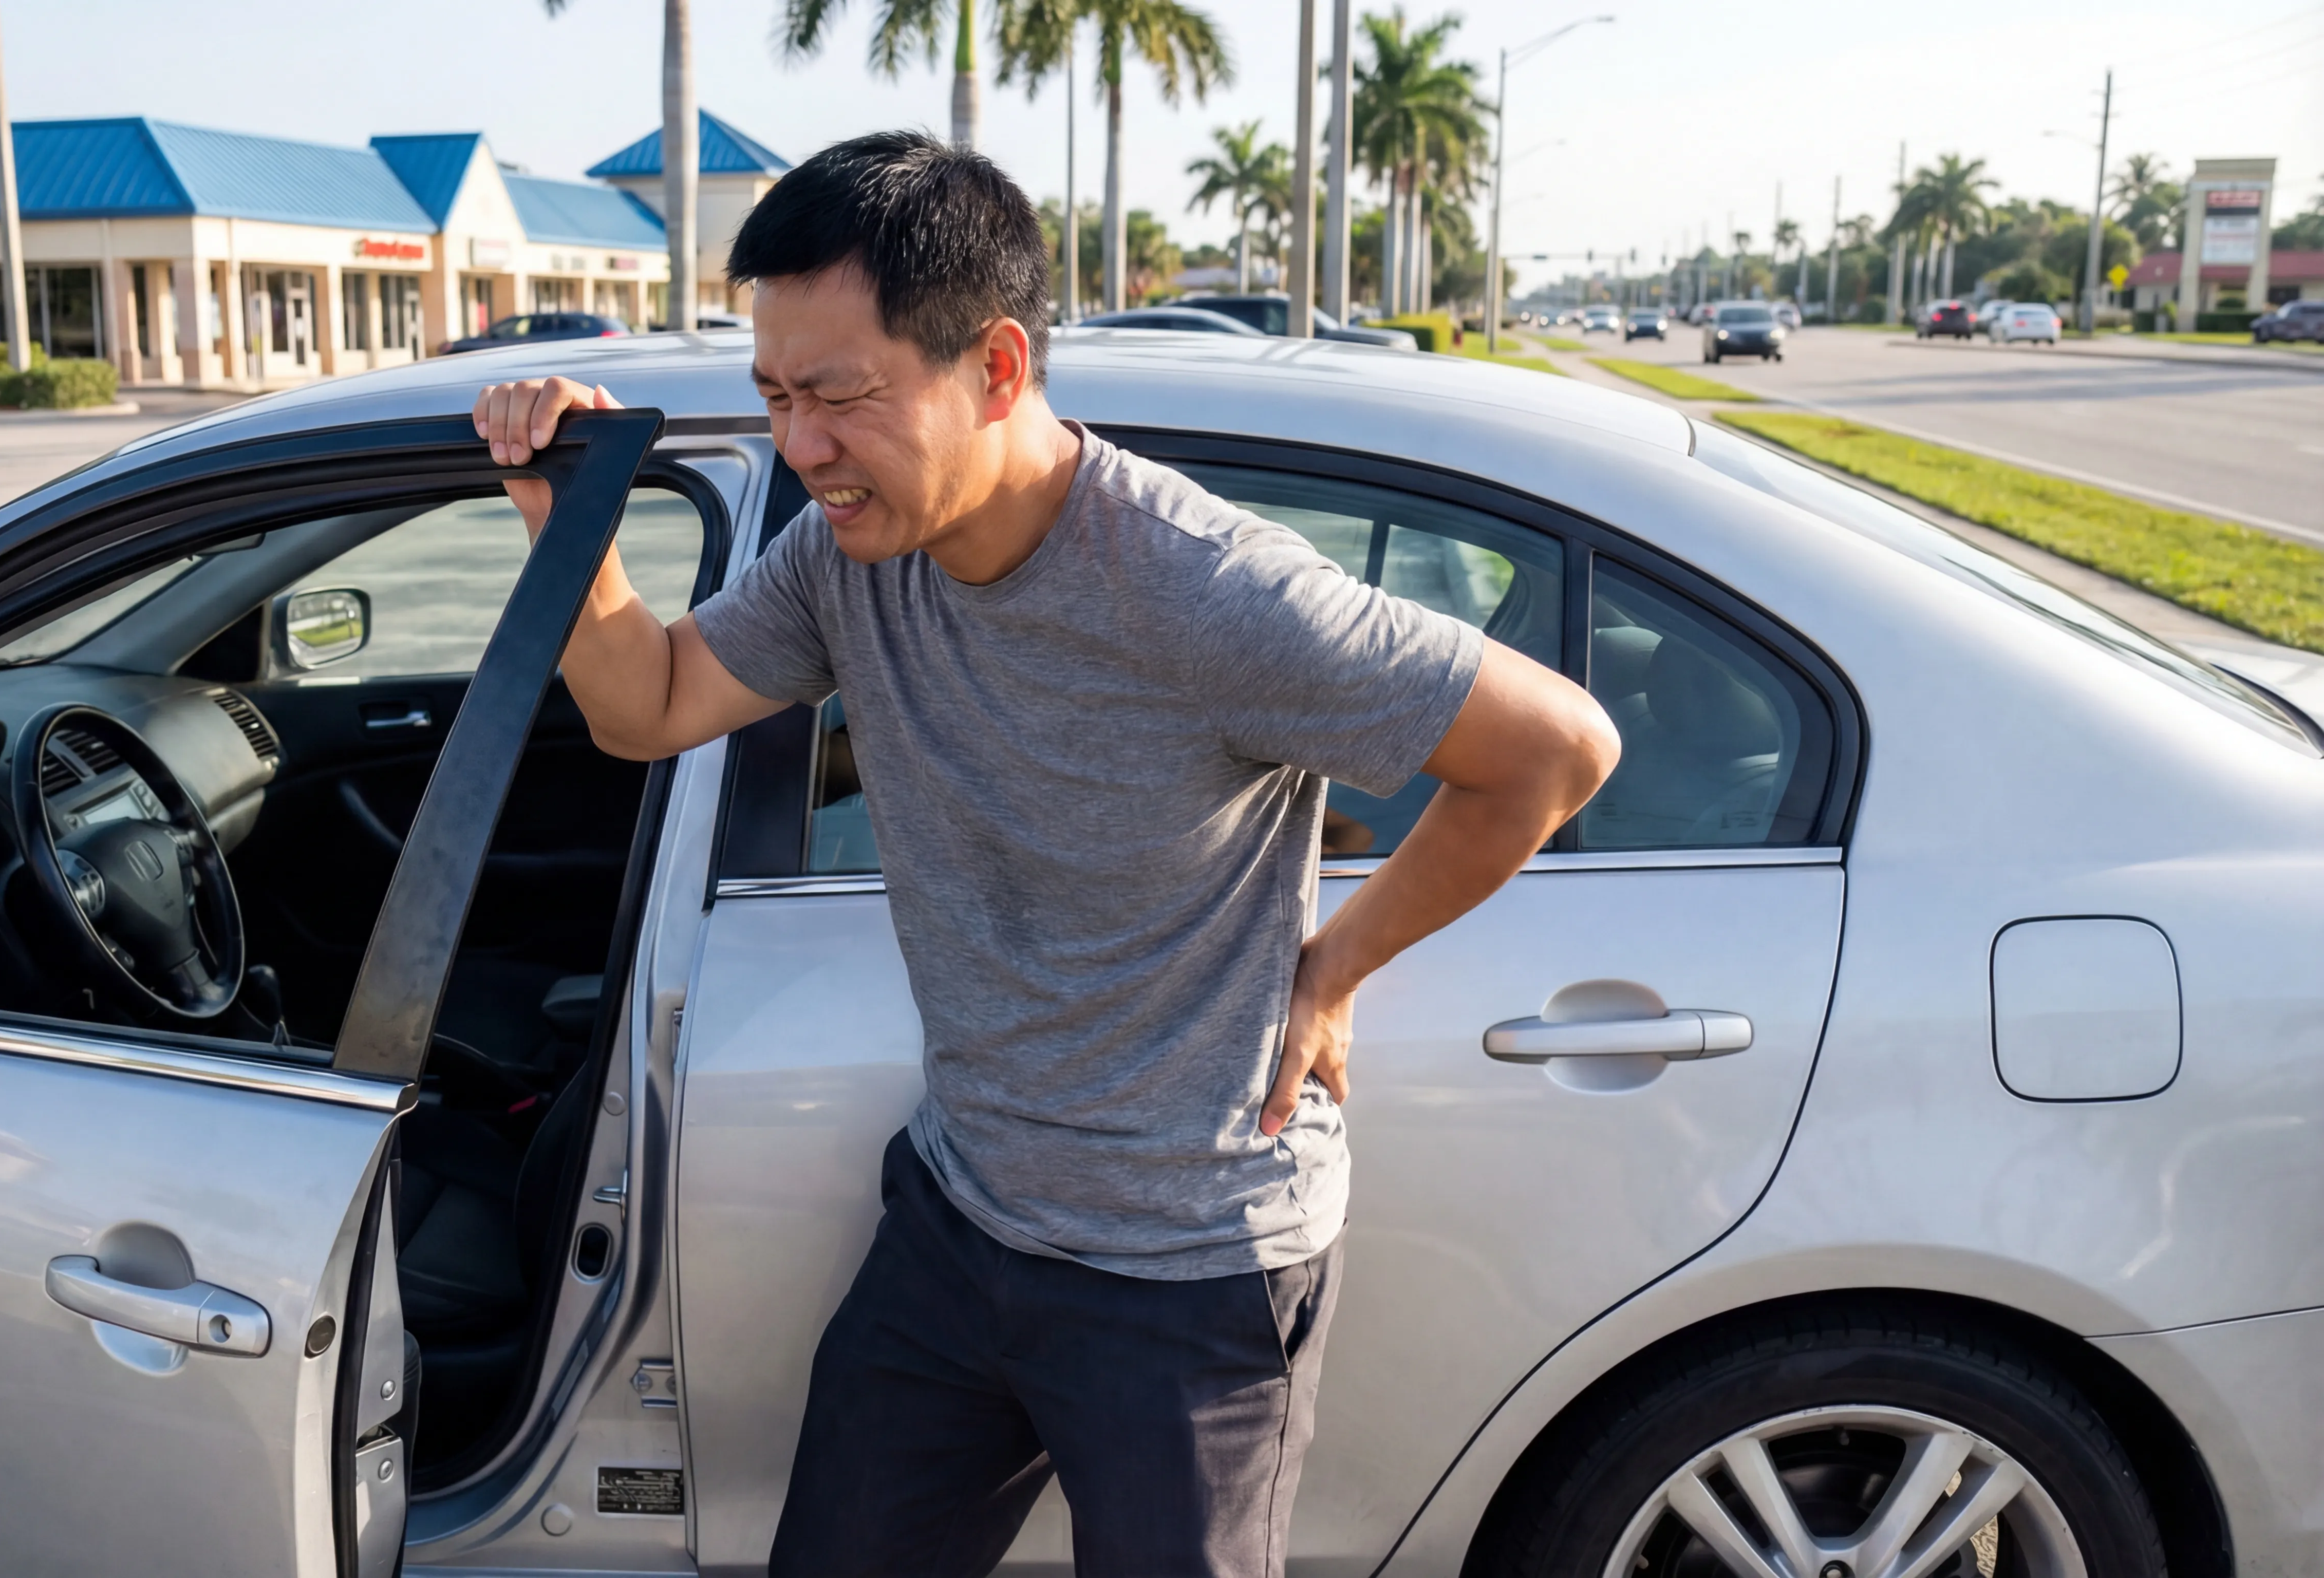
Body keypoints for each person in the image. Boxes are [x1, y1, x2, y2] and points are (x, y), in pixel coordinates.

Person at [474, 130, 1619, 1578]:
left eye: (838, 397)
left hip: (1187, 1271)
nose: (800, 450)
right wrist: (563, 515)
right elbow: (650, 709)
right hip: (964, 1220)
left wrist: (1335, 970)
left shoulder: (1208, 595)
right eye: (775, 399)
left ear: (998, 369)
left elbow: (1559, 751)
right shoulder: (851, 556)